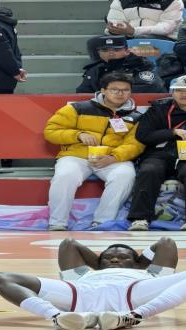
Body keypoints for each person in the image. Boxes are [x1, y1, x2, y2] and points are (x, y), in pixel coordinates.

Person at [0, 237, 186, 330]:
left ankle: (134, 317)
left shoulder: (151, 273)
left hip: (133, 292)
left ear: (136, 262)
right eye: (108, 257)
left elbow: (165, 243)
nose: (115, 259)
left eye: (122, 257)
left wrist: (140, 262)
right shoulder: (79, 275)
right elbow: (69, 244)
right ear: (99, 261)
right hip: (81, 293)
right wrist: (98, 264)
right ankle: (57, 317)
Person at [44, 72, 145, 231]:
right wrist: (78, 135)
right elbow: (51, 131)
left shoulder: (136, 117)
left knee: (125, 175)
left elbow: (135, 144)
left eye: (125, 90)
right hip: (76, 156)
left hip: (112, 159)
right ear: (103, 90)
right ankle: (57, 223)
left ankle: (102, 222)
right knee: (65, 175)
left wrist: (113, 157)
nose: (120, 93)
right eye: (114, 89)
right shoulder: (77, 108)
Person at [128, 74, 186, 232]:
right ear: (172, 92)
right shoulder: (158, 109)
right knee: (149, 170)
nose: (184, 94)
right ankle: (139, 218)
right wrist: (172, 132)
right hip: (159, 153)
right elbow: (143, 135)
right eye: (179, 90)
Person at [86, 0, 184, 60]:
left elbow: (166, 28)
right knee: (94, 43)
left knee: (143, 39)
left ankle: (143, 68)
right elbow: (115, 20)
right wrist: (114, 29)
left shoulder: (173, 2)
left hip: (161, 38)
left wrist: (134, 31)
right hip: (127, 36)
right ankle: (100, 70)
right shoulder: (120, 1)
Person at [76, 35, 165, 94]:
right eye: (105, 50)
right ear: (99, 53)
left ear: (127, 51)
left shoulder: (140, 65)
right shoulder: (94, 70)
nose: (111, 53)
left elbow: (147, 89)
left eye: (116, 50)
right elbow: (82, 92)